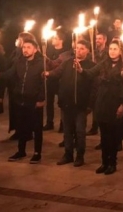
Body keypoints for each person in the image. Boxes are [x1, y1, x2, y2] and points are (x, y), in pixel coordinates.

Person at [78, 41, 123, 175]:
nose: (112, 51)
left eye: (115, 49)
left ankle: (112, 162)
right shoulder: (104, 63)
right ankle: (104, 162)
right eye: (111, 48)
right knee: (104, 135)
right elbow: (90, 73)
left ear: (121, 51)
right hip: (102, 101)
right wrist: (81, 70)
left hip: (115, 102)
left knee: (112, 135)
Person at [0, 38, 45, 163]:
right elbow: (10, 73)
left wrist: (41, 98)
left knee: (36, 128)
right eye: (24, 47)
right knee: (21, 127)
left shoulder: (41, 64)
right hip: (20, 99)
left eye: (28, 47)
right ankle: (21, 151)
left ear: (35, 50)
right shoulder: (18, 62)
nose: (25, 50)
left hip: (34, 100)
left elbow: (44, 84)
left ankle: (37, 153)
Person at [46, 39, 96, 167]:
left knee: (80, 131)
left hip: (81, 104)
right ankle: (68, 154)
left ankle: (80, 155)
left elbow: (94, 86)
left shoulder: (91, 65)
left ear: (88, 50)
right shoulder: (67, 62)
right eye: (77, 48)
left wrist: (90, 104)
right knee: (67, 131)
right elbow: (57, 73)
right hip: (66, 103)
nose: (79, 51)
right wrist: (47, 73)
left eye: (82, 48)